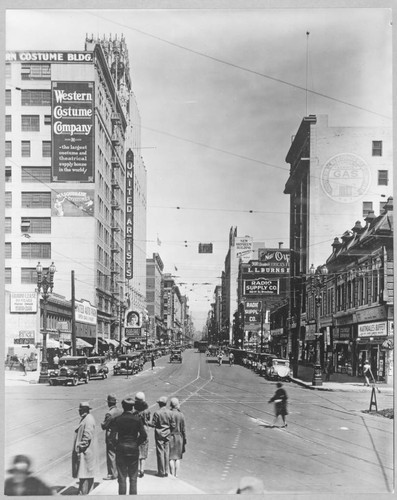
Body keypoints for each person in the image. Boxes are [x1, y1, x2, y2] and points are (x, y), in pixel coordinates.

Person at [112, 397, 147, 495]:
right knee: (133, 478)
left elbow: (112, 437)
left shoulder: (117, 419)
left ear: (123, 407)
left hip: (121, 449)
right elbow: (144, 435)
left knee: (122, 478)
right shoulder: (137, 420)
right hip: (133, 449)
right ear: (132, 407)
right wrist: (136, 443)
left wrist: (117, 445)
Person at [72, 402, 97, 495]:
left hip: (86, 453)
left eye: (80, 410)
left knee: (84, 476)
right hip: (87, 452)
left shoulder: (88, 420)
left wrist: (79, 447)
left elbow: (87, 437)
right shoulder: (86, 418)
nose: (79, 411)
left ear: (84, 410)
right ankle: (85, 493)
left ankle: (82, 494)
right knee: (86, 475)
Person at [150, 396, 175, 477]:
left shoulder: (157, 413)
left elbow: (153, 424)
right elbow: (173, 425)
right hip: (167, 433)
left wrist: (146, 422)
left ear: (159, 404)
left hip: (159, 434)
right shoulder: (170, 412)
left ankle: (161, 471)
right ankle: (166, 471)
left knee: (160, 452)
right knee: (166, 452)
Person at [101, 394, 122, 480]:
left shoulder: (109, 414)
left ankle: (112, 474)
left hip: (111, 436)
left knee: (111, 455)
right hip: (119, 434)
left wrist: (102, 424)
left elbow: (105, 426)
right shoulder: (120, 411)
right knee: (118, 454)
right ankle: (118, 472)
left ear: (109, 403)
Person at [132, 392, 151, 478]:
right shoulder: (146, 411)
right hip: (144, 431)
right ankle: (142, 470)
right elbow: (148, 420)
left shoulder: (135, 412)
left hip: (136, 432)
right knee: (143, 451)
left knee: (136, 451)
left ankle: (135, 470)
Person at [168, 397, 186, 478]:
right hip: (179, 437)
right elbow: (183, 429)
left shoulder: (169, 413)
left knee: (171, 457)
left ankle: (171, 474)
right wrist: (184, 439)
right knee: (177, 458)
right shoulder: (181, 415)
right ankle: (176, 474)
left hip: (170, 436)